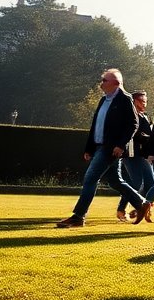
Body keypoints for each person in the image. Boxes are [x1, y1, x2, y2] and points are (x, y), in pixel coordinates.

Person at [56, 68, 148, 228]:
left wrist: (120, 145)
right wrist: (89, 148)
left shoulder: (125, 99)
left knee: (90, 178)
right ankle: (142, 203)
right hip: (100, 147)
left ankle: (78, 216)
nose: (101, 83)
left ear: (116, 83)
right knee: (116, 181)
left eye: (105, 80)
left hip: (109, 149)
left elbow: (133, 124)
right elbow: (96, 126)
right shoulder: (103, 100)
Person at [117, 91, 154, 222]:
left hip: (143, 155)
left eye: (145, 101)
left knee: (151, 183)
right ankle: (122, 209)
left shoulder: (145, 116)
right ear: (134, 101)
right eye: (141, 101)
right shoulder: (130, 116)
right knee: (135, 183)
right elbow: (137, 134)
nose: (144, 103)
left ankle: (141, 207)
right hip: (131, 154)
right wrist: (152, 138)